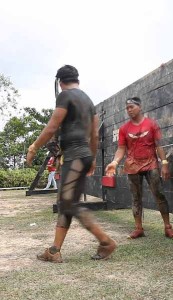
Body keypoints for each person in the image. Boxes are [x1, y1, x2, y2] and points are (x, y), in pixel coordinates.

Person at [26, 65, 116, 262]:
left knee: (68, 202)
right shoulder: (89, 101)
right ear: (77, 79)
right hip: (83, 156)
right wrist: (91, 159)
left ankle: (106, 241)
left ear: (60, 82)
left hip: (74, 156)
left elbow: (52, 127)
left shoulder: (65, 96)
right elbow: (94, 134)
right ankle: (54, 250)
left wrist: (33, 147)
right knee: (65, 202)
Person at [105, 96, 173, 239]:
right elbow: (121, 148)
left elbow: (158, 145)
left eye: (131, 107)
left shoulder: (151, 124)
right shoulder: (124, 129)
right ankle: (138, 228)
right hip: (132, 166)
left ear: (140, 107)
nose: (129, 110)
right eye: (127, 108)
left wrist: (164, 163)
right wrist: (114, 162)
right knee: (135, 198)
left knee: (159, 195)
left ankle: (168, 227)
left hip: (151, 164)